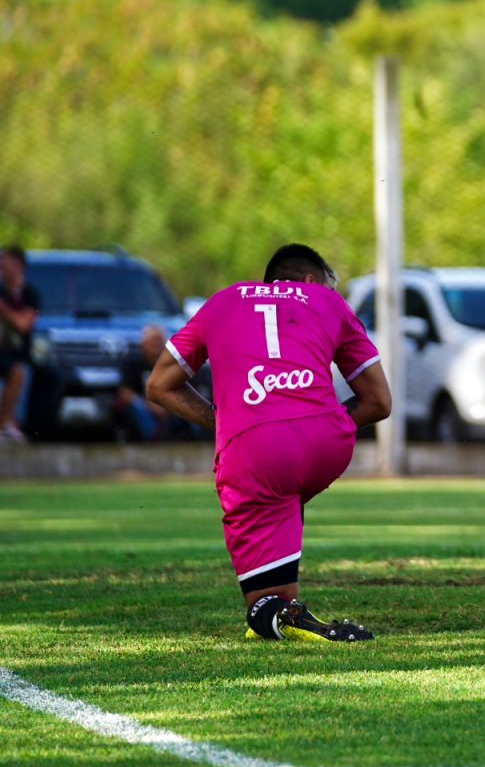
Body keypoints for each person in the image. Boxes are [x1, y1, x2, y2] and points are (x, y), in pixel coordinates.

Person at [146, 243, 392, 642]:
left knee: (263, 608)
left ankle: (287, 614)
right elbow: (379, 401)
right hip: (325, 444)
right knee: (286, 490)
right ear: (311, 281)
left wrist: (222, 420)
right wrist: (324, 424)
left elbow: (159, 385)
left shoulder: (224, 300)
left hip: (255, 449)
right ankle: (286, 594)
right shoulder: (328, 302)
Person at [116, 324, 190, 441]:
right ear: (143, 344)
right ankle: (152, 437)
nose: (155, 346)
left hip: (168, 403)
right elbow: (124, 391)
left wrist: (165, 405)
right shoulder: (132, 363)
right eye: (152, 342)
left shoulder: (174, 364)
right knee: (136, 405)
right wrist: (149, 404)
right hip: (143, 404)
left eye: (159, 342)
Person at [0, 245, 40, 442]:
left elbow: (24, 325)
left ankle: (9, 424)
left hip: (18, 355)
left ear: (18, 265)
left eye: (5, 261)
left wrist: (4, 311)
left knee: (19, 372)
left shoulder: (29, 294)